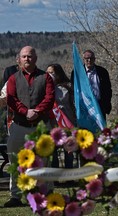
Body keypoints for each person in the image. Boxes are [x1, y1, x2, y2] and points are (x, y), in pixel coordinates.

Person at [4, 46, 55, 207]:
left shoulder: (46, 77)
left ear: (36, 58)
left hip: (40, 126)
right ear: (19, 59)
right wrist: (25, 112)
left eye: (30, 56)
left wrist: (37, 111)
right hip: (19, 126)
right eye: (24, 56)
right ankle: (16, 196)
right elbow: (11, 98)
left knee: (43, 161)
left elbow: (50, 97)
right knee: (15, 162)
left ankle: (46, 193)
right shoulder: (13, 78)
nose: (27, 59)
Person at [46, 64, 76, 169]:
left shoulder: (68, 86)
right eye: (48, 73)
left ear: (58, 74)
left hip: (67, 121)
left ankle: (69, 175)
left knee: (68, 150)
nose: (49, 75)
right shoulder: (45, 88)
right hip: (52, 123)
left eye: (52, 72)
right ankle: (55, 176)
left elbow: (74, 104)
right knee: (53, 150)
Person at [71, 50, 112, 120]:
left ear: (94, 59)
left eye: (91, 58)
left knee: (101, 129)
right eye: (87, 59)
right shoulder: (77, 73)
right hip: (84, 107)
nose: (89, 60)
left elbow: (108, 89)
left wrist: (106, 105)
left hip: (99, 106)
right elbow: (73, 90)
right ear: (83, 60)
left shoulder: (102, 72)